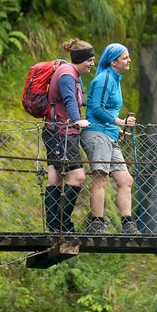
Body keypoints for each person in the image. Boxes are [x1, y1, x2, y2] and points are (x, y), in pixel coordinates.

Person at [83, 43, 140, 234]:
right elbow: (97, 108)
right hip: (97, 134)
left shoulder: (116, 79)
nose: (129, 60)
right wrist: (120, 122)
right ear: (113, 62)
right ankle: (97, 223)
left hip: (110, 135)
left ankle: (128, 224)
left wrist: (119, 130)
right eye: (125, 58)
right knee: (101, 179)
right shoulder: (104, 79)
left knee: (125, 180)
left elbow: (106, 108)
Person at [43, 39, 94, 233]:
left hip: (56, 131)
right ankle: (62, 224)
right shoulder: (66, 75)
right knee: (78, 177)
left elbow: (77, 100)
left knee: (55, 177)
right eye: (89, 60)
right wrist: (76, 119)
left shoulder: (73, 75)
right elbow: (69, 99)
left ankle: (55, 226)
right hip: (61, 133)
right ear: (80, 59)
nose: (92, 64)